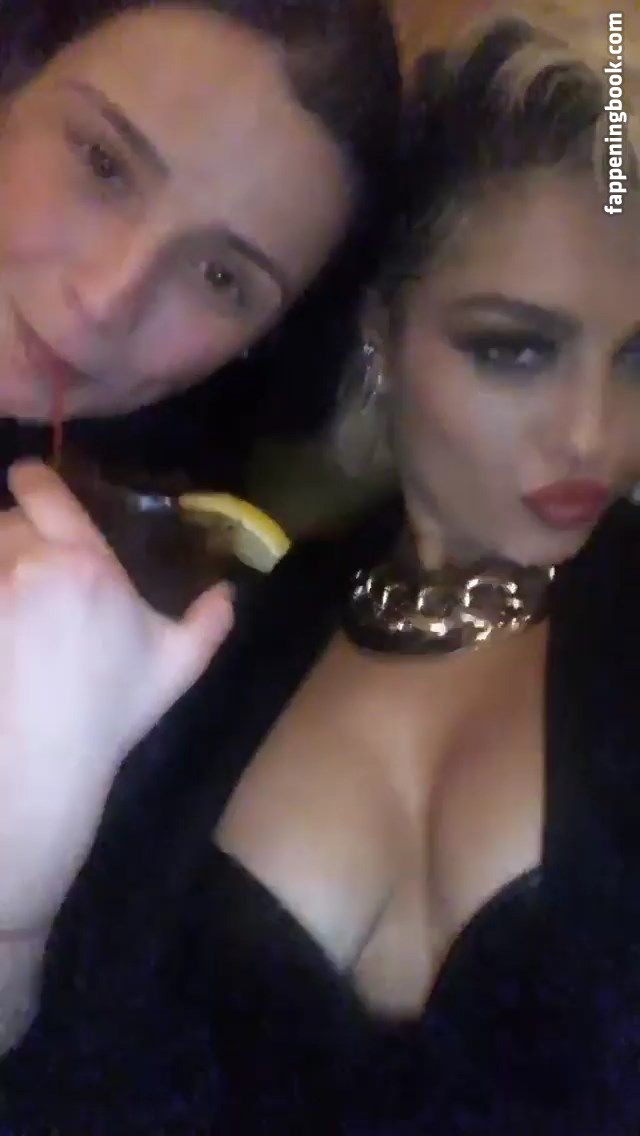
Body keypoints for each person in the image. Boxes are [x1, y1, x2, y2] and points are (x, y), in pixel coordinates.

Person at [4, 2, 640, 1133]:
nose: (594, 434)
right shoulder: (212, 633)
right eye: (511, 348)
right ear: (379, 332)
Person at [0, 0, 400, 493]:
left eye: (220, 278)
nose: (104, 302)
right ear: (17, 76)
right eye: (104, 163)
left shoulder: (146, 510)